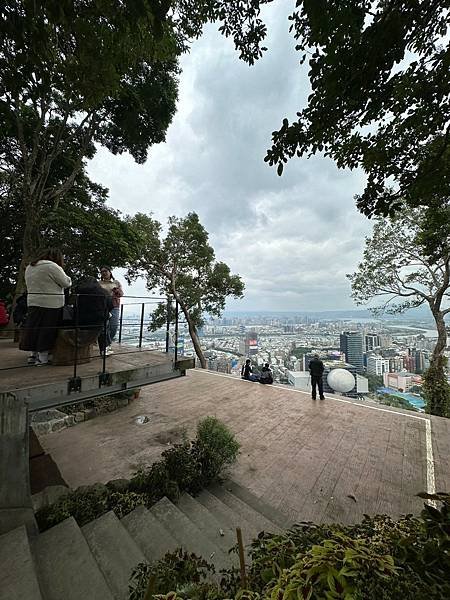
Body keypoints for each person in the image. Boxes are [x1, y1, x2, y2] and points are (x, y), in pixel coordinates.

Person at [19, 248, 71, 365]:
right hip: (51, 303)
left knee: (33, 328)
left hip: (33, 301)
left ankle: (32, 355)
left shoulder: (30, 267)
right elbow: (66, 283)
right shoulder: (52, 266)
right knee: (47, 330)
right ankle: (42, 359)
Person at [98, 266, 123, 353]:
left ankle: (107, 343)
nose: (104, 273)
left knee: (113, 326)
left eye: (105, 271)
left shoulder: (116, 282)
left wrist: (116, 290)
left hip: (114, 305)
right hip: (103, 306)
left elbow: (121, 294)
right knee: (104, 327)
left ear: (110, 272)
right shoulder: (99, 283)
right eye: (102, 272)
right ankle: (106, 346)